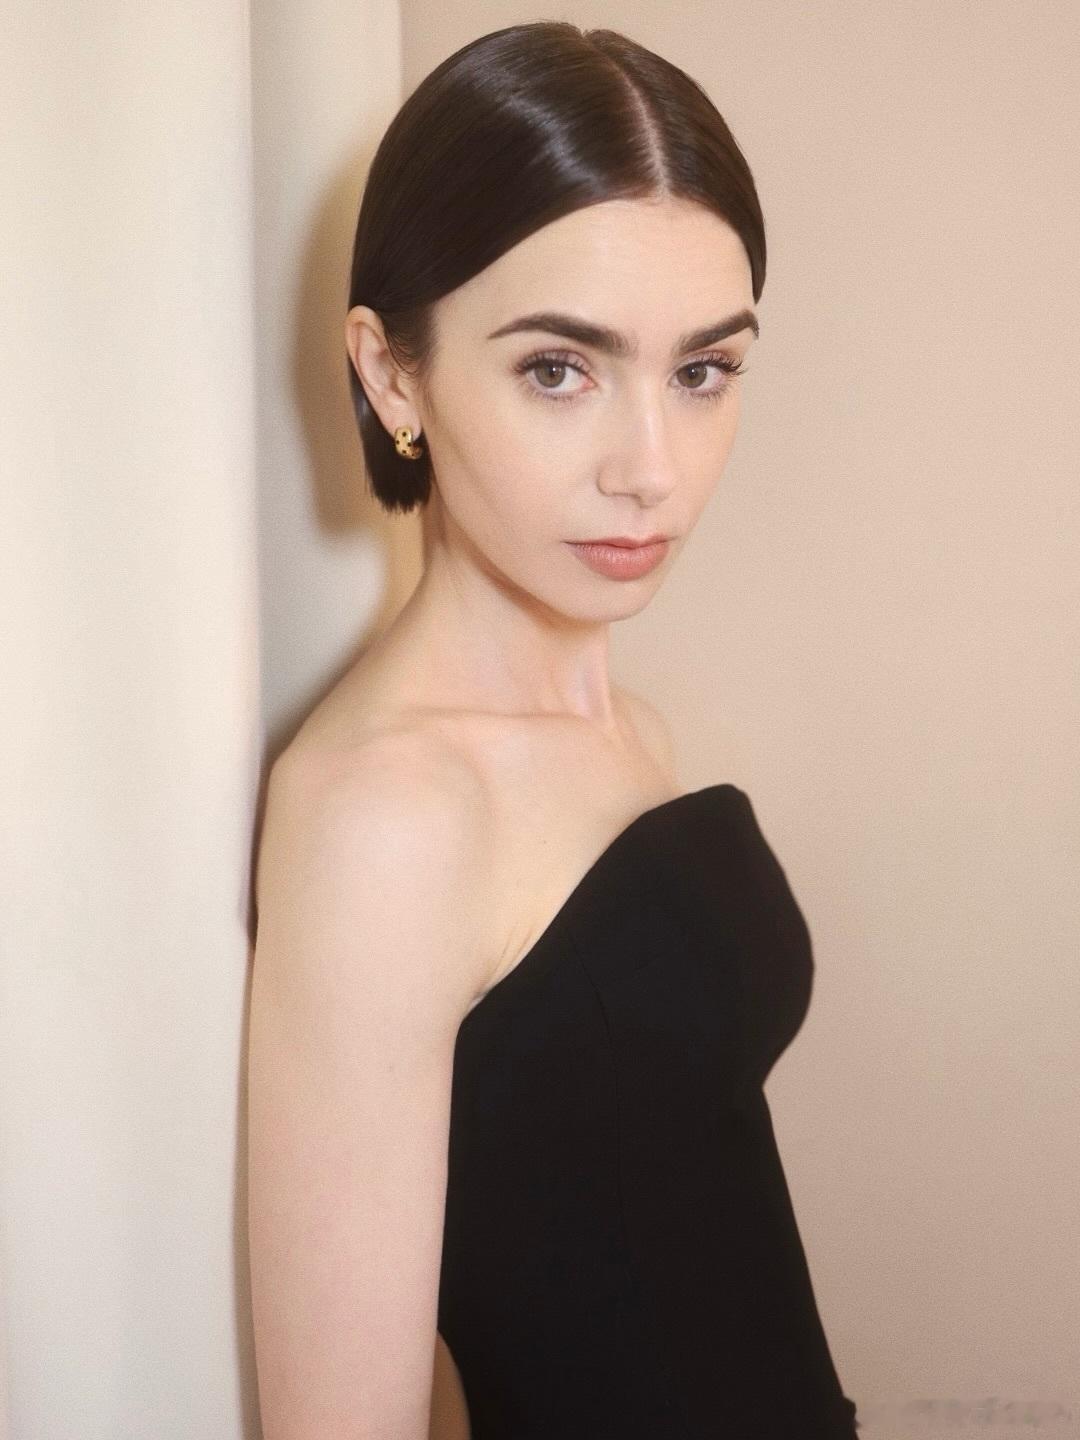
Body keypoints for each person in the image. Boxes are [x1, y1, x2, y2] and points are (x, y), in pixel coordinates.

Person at [247, 20, 860, 1440]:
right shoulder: (385, 815)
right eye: (558, 370)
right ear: (393, 375)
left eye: (702, 371)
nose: (652, 470)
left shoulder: (627, 725)